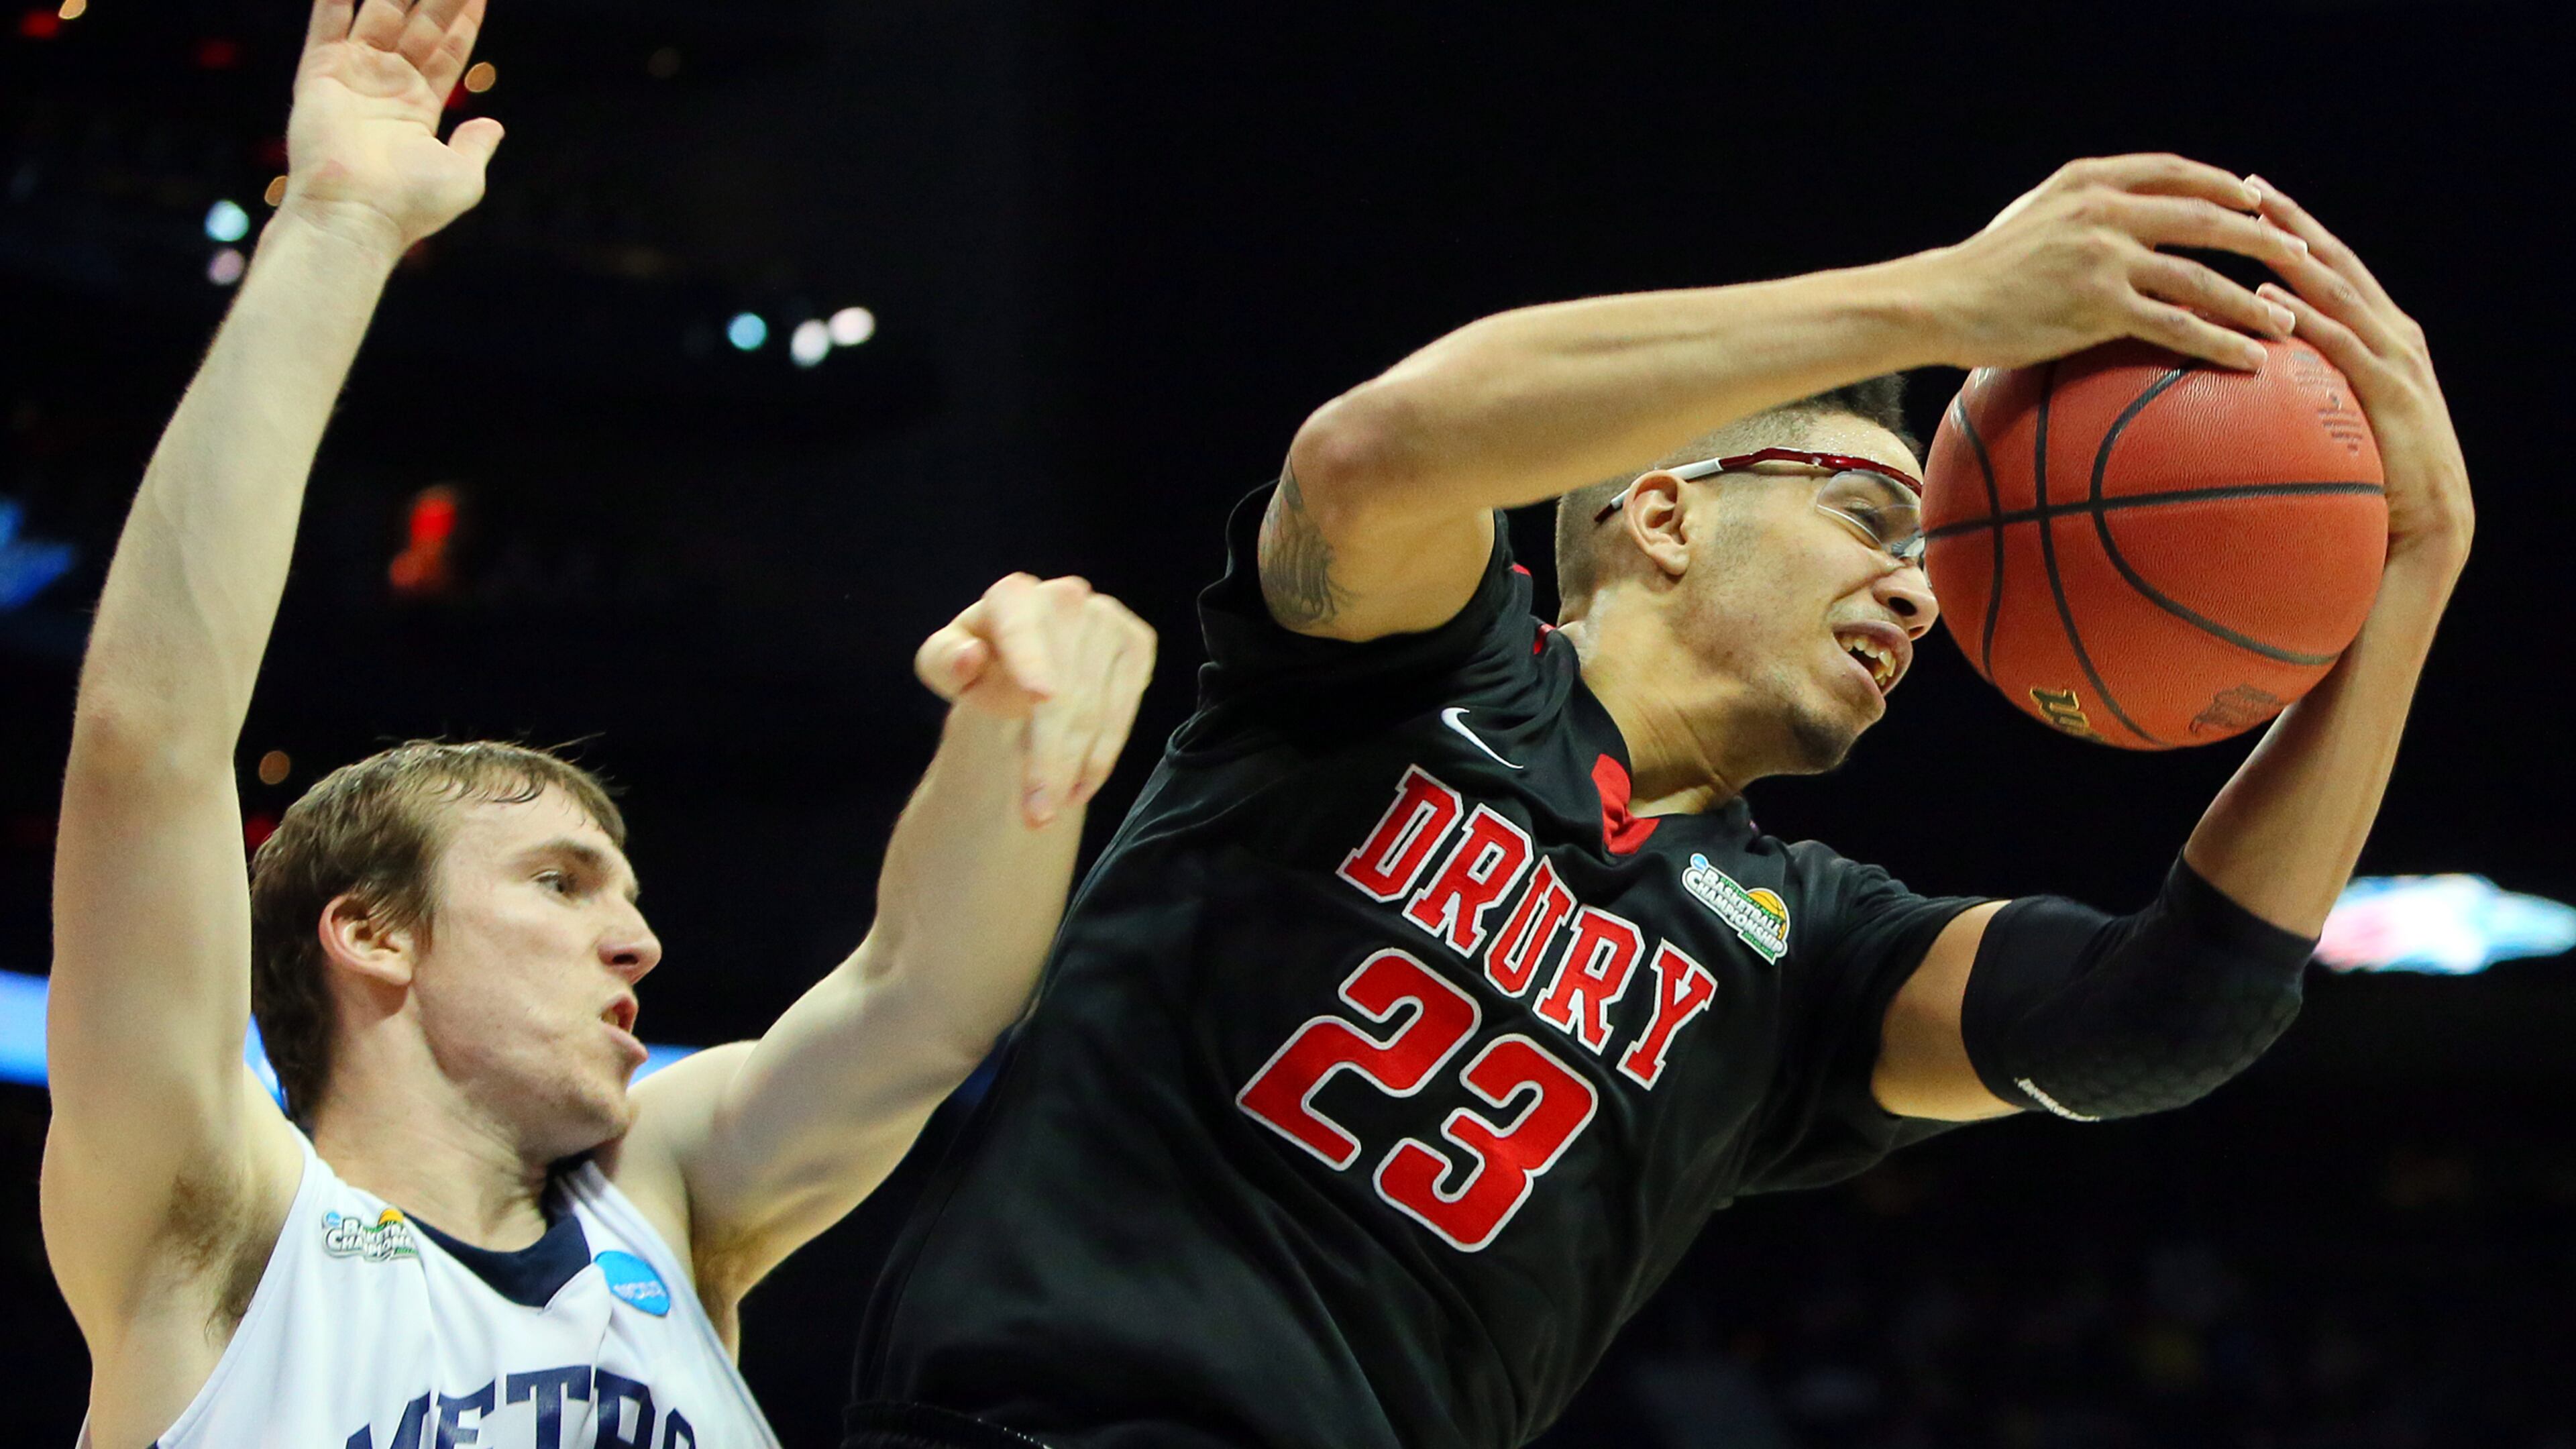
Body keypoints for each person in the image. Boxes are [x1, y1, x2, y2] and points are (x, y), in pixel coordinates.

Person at [841, 152, 2471, 1449]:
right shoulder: (1408, 677)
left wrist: (2410, 574)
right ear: (1666, 516)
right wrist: (1940, 300)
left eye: (1934, 561)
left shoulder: (1810, 948)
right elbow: (1368, 458)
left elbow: (2169, 1016)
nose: (1924, 595)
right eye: (1872, 520)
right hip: (1014, 1420)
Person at [39, 3, 1158, 1446]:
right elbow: (150, 742)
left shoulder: (663, 1204)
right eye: (559, 883)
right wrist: (335, 222)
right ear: (371, 931)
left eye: (619, 892)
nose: (637, 942)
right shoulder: (217, 1224)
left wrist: (1022, 733)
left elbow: (923, 997)